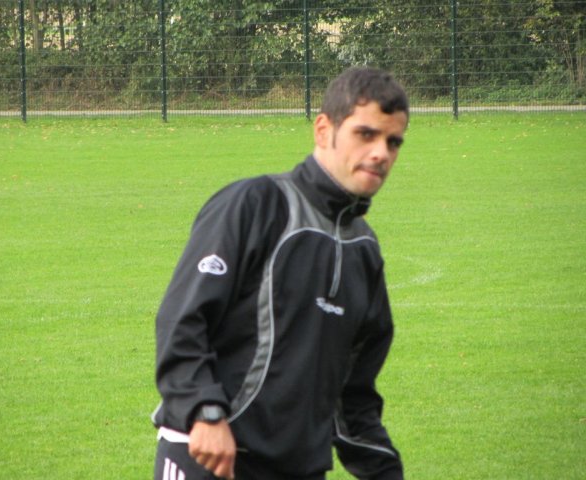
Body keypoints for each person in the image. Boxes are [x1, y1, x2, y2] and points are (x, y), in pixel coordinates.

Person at [151, 66, 409, 480]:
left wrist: (384, 470)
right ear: (323, 130)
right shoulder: (255, 204)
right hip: (208, 455)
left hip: (298, 469)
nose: (381, 152)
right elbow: (182, 319)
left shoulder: (364, 250)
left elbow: (353, 396)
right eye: (366, 134)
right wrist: (205, 411)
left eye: (393, 142)